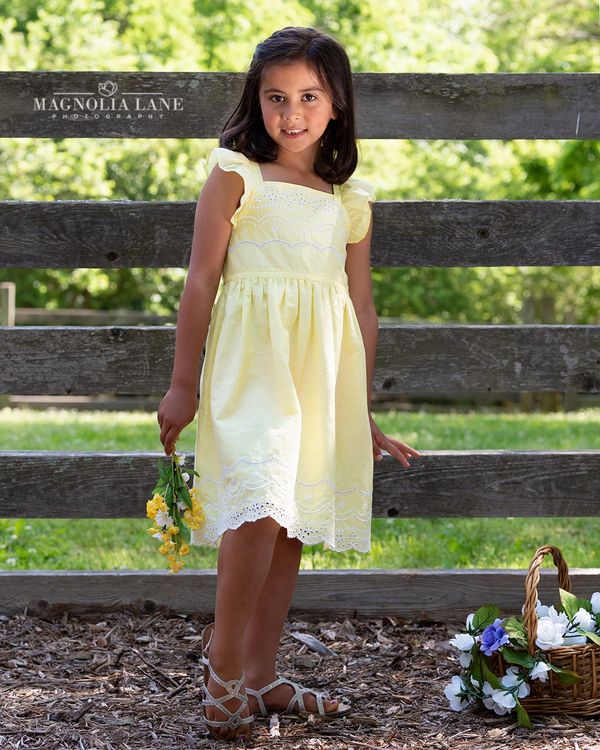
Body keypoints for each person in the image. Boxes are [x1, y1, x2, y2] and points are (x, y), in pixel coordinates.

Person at [157, 25, 421, 743]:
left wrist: (357, 412)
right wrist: (184, 384)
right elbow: (202, 280)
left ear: (336, 104)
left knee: (291, 525)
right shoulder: (235, 173)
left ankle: (262, 673)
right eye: (276, 97)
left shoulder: (347, 202)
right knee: (257, 512)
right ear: (257, 100)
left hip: (322, 382)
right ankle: (222, 668)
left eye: (308, 96)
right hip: (253, 371)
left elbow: (359, 309)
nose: (291, 113)